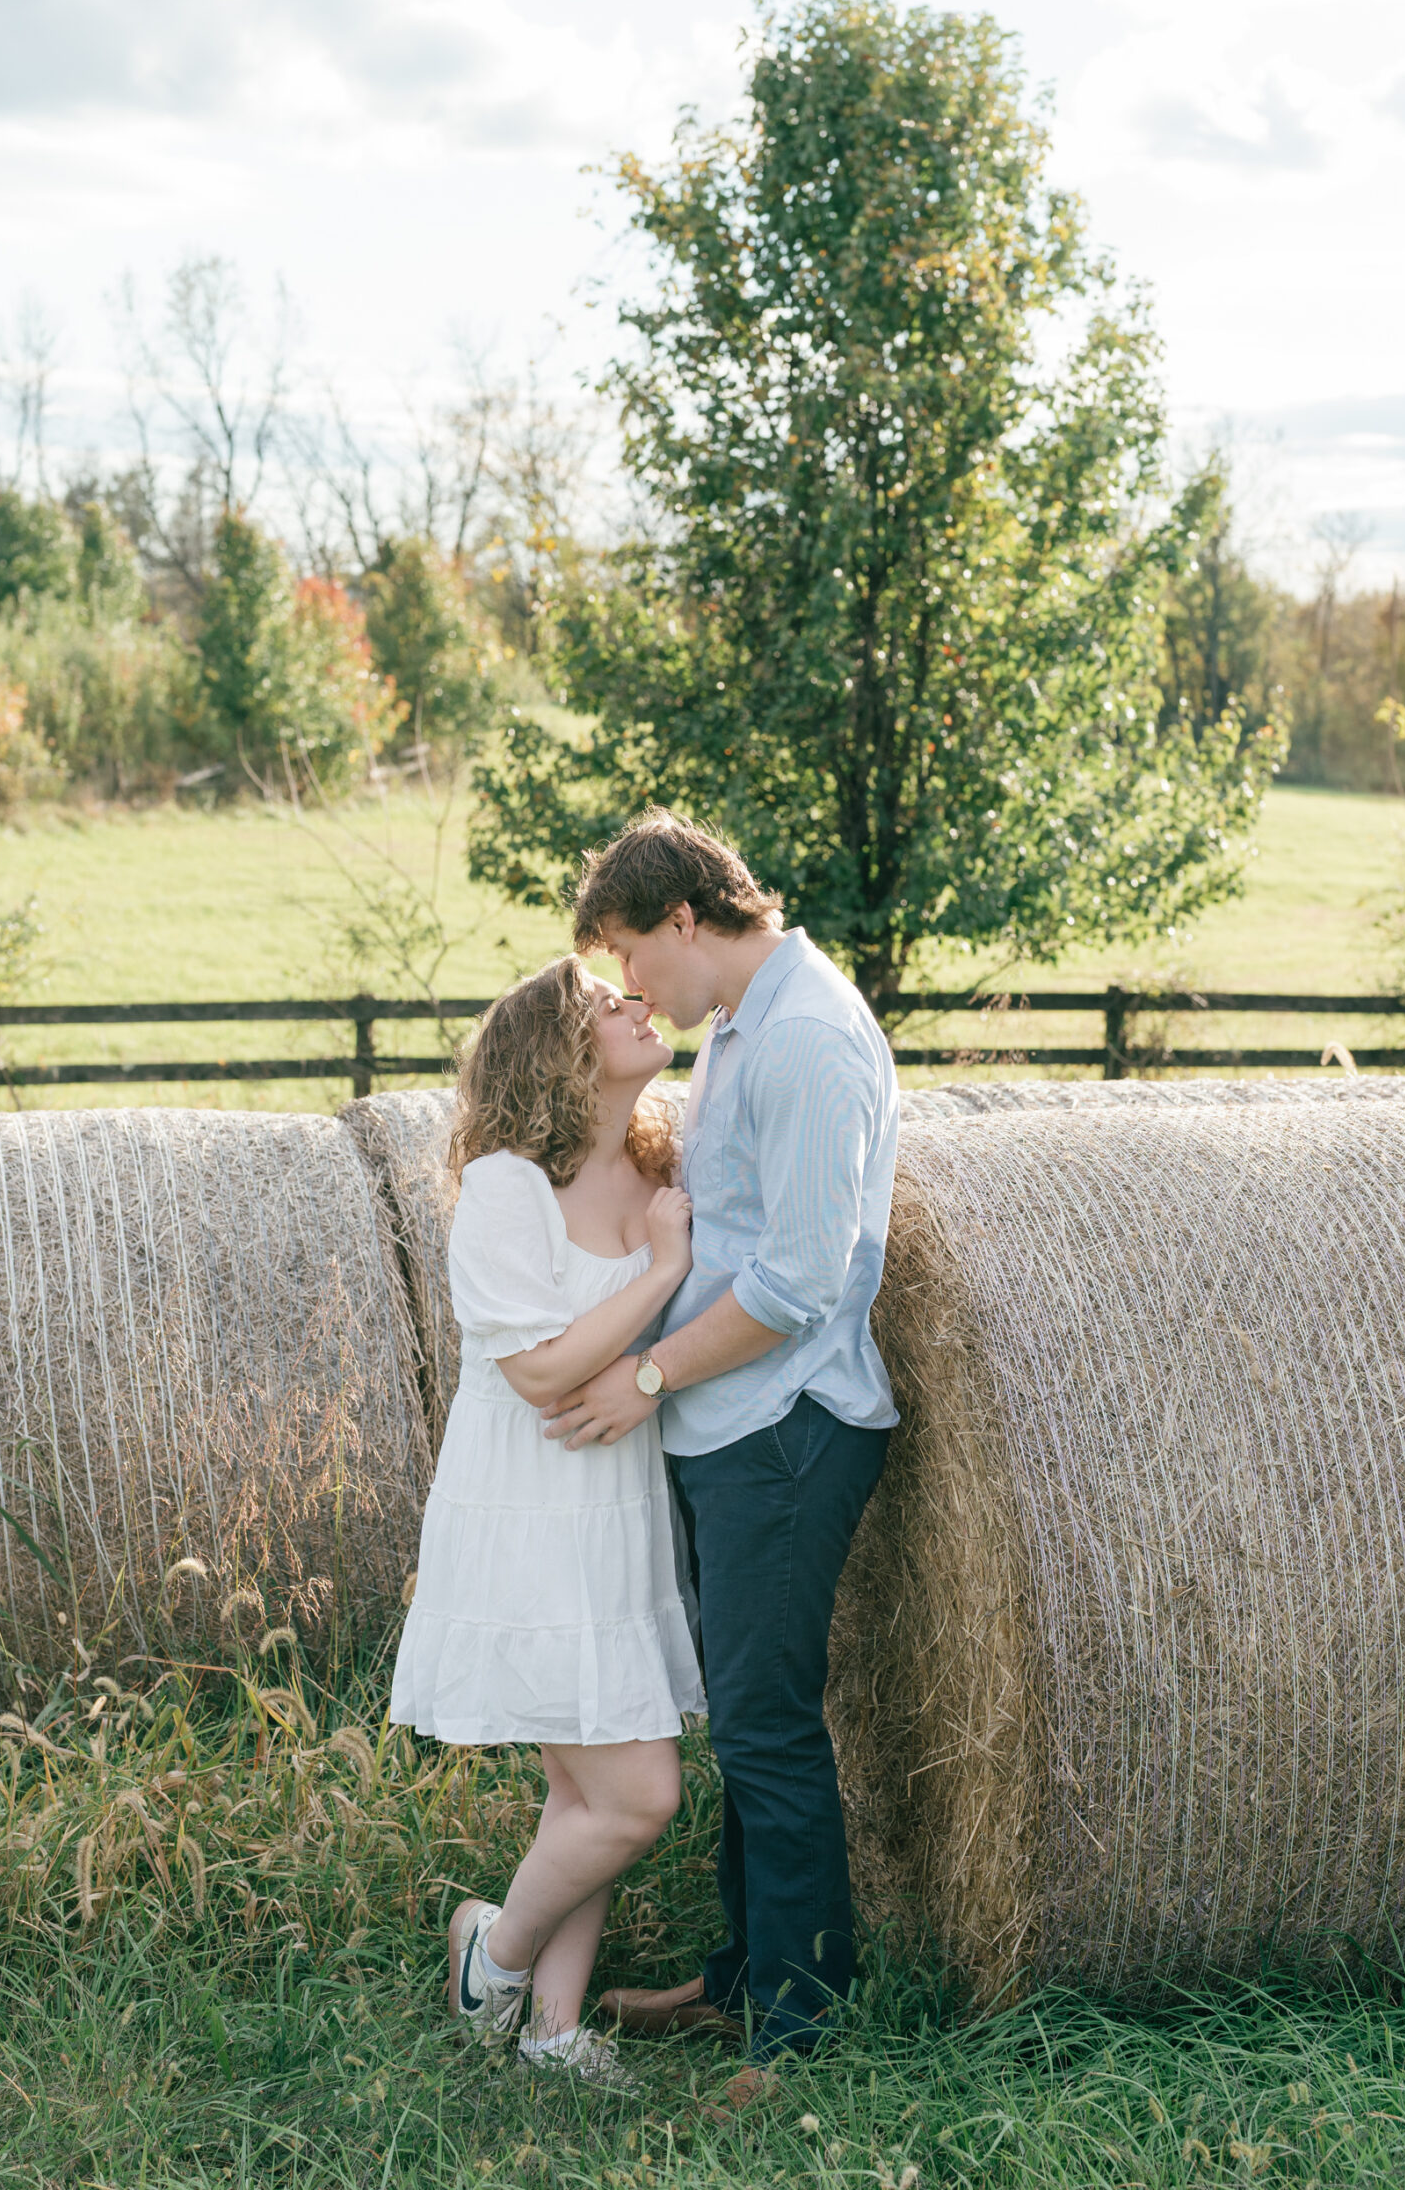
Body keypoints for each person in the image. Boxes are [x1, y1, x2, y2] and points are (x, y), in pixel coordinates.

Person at [539, 810, 899, 2083]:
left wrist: (646, 1373)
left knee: (767, 1726)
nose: (633, 986)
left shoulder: (801, 1039)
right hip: (731, 1420)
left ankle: (798, 2035)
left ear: (686, 920)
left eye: (635, 955)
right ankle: (742, 1976)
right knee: (741, 1720)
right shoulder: (746, 1028)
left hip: (785, 1428)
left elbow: (802, 1281)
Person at [388, 955, 704, 2089]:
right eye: (607, 1006)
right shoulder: (508, 1184)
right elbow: (539, 1371)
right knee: (637, 1794)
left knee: (583, 1789)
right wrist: (664, 1268)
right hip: (526, 1510)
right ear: (558, 1054)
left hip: (617, 1506)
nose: (639, 1004)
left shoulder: (657, 1162)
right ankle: (497, 1951)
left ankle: (556, 2032)